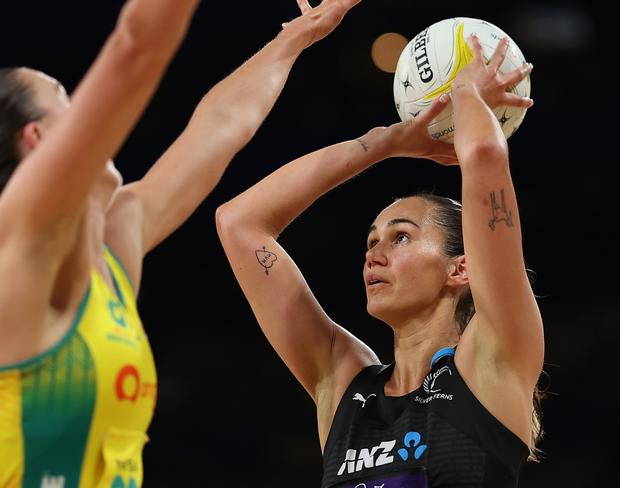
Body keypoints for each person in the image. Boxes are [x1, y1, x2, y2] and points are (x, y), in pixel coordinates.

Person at [0, 0, 362, 486]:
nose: (84, 110)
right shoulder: (15, 247)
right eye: (65, 96)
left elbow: (221, 127)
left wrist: (297, 37)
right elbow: (137, 46)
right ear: (37, 137)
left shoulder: (111, 250)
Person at [216, 33, 543, 487]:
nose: (375, 251)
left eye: (402, 237)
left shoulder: (493, 359)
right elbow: (239, 222)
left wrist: (465, 91)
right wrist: (384, 142)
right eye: (371, 240)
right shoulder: (343, 384)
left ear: (460, 268)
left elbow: (485, 155)